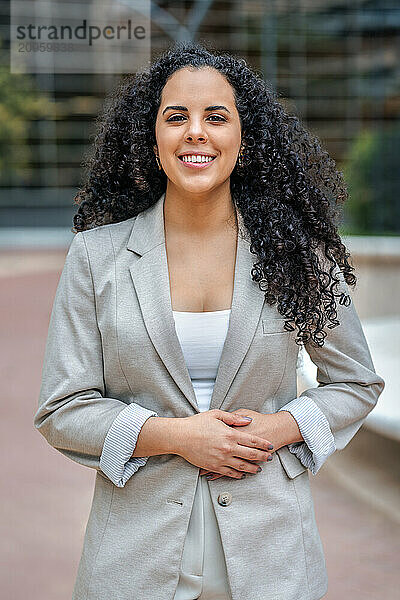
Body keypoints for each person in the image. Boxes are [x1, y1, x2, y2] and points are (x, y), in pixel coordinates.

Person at [34, 40, 385, 600]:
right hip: (133, 561)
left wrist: (278, 428)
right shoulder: (96, 256)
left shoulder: (299, 255)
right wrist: (176, 437)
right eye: (176, 117)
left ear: (244, 139)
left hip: (271, 557)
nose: (195, 131)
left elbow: (356, 382)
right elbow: (63, 408)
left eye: (216, 117)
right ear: (152, 139)